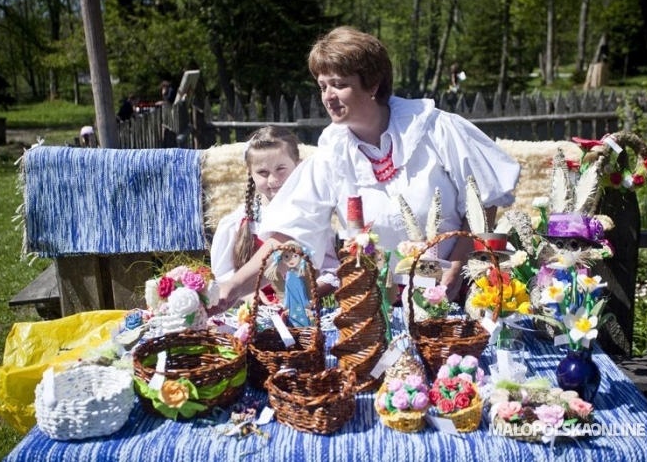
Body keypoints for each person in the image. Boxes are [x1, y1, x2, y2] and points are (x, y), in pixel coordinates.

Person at [210, 26, 520, 314]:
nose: (328, 96)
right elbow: (288, 233)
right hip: (379, 301)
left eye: (339, 85)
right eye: (322, 86)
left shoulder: (434, 129)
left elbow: (487, 198)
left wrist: (456, 265)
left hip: (459, 290)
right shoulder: (332, 153)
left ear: (372, 83)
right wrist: (233, 287)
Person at [209, 126, 339, 306]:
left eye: (281, 169)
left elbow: (331, 272)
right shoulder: (236, 222)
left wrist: (305, 295)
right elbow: (224, 278)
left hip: (301, 315)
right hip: (251, 315)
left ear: (298, 166)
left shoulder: (309, 219)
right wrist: (246, 296)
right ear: (250, 173)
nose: (273, 180)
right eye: (263, 173)